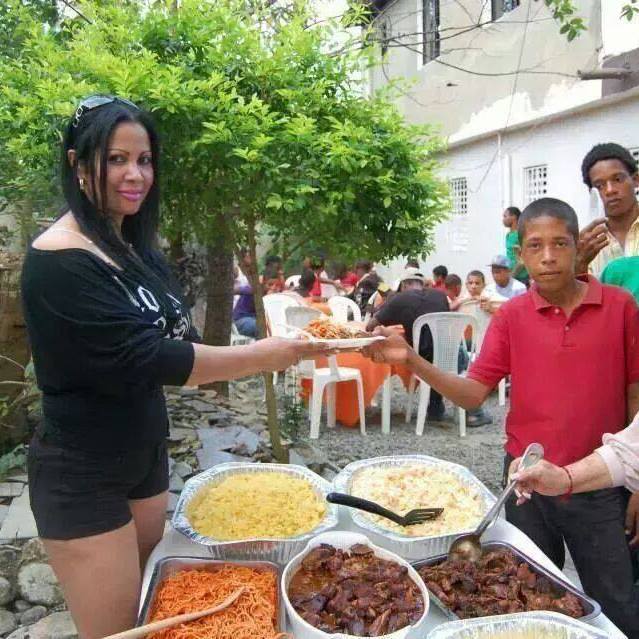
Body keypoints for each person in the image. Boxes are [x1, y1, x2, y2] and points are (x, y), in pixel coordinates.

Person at [20, 95, 326, 639]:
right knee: (118, 631)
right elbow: (153, 357)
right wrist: (267, 354)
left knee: (152, 610)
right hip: (82, 471)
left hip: (144, 453)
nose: (135, 174)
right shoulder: (59, 260)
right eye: (116, 159)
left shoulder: (131, 248)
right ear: (77, 163)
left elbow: (178, 335)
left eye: (144, 160)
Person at [363, 197, 639, 636]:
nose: (548, 256)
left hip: (599, 484)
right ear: (521, 256)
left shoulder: (620, 307)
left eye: (560, 243)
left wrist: (636, 482)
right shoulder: (511, 316)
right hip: (526, 483)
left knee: (618, 601)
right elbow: (473, 394)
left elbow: (634, 393)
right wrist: (412, 360)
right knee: (532, 597)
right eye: (535, 246)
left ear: (577, 247)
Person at [366, 268, 449, 421]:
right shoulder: (440, 296)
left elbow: (370, 326)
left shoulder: (400, 299)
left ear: (403, 285)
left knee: (422, 350)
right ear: (423, 284)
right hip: (449, 356)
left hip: (418, 358)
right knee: (437, 349)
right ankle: (439, 406)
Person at [577, 143, 639, 277]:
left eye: (617, 179)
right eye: (599, 186)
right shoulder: (588, 242)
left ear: (635, 180)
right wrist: (580, 265)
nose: (610, 190)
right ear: (592, 193)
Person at [502, 206, 529, 286]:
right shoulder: (508, 235)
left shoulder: (520, 235)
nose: (503, 220)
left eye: (505, 216)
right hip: (512, 276)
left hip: (521, 278)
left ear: (513, 217)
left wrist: (511, 276)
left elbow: (522, 261)